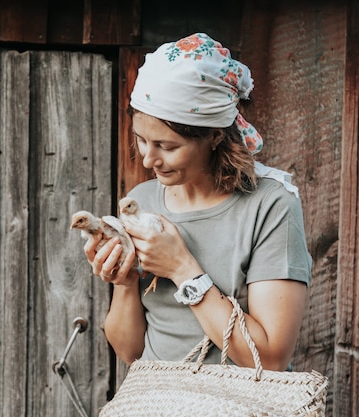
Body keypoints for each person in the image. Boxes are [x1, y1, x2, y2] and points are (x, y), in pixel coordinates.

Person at [83, 33, 311, 370]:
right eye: (141, 140)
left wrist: (181, 268)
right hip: (158, 399)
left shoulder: (270, 206)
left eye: (168, 146)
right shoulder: (141, 202)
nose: (148, 160)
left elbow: (270, 358)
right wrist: (126, 281)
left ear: (215, 134)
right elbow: (130, 353)